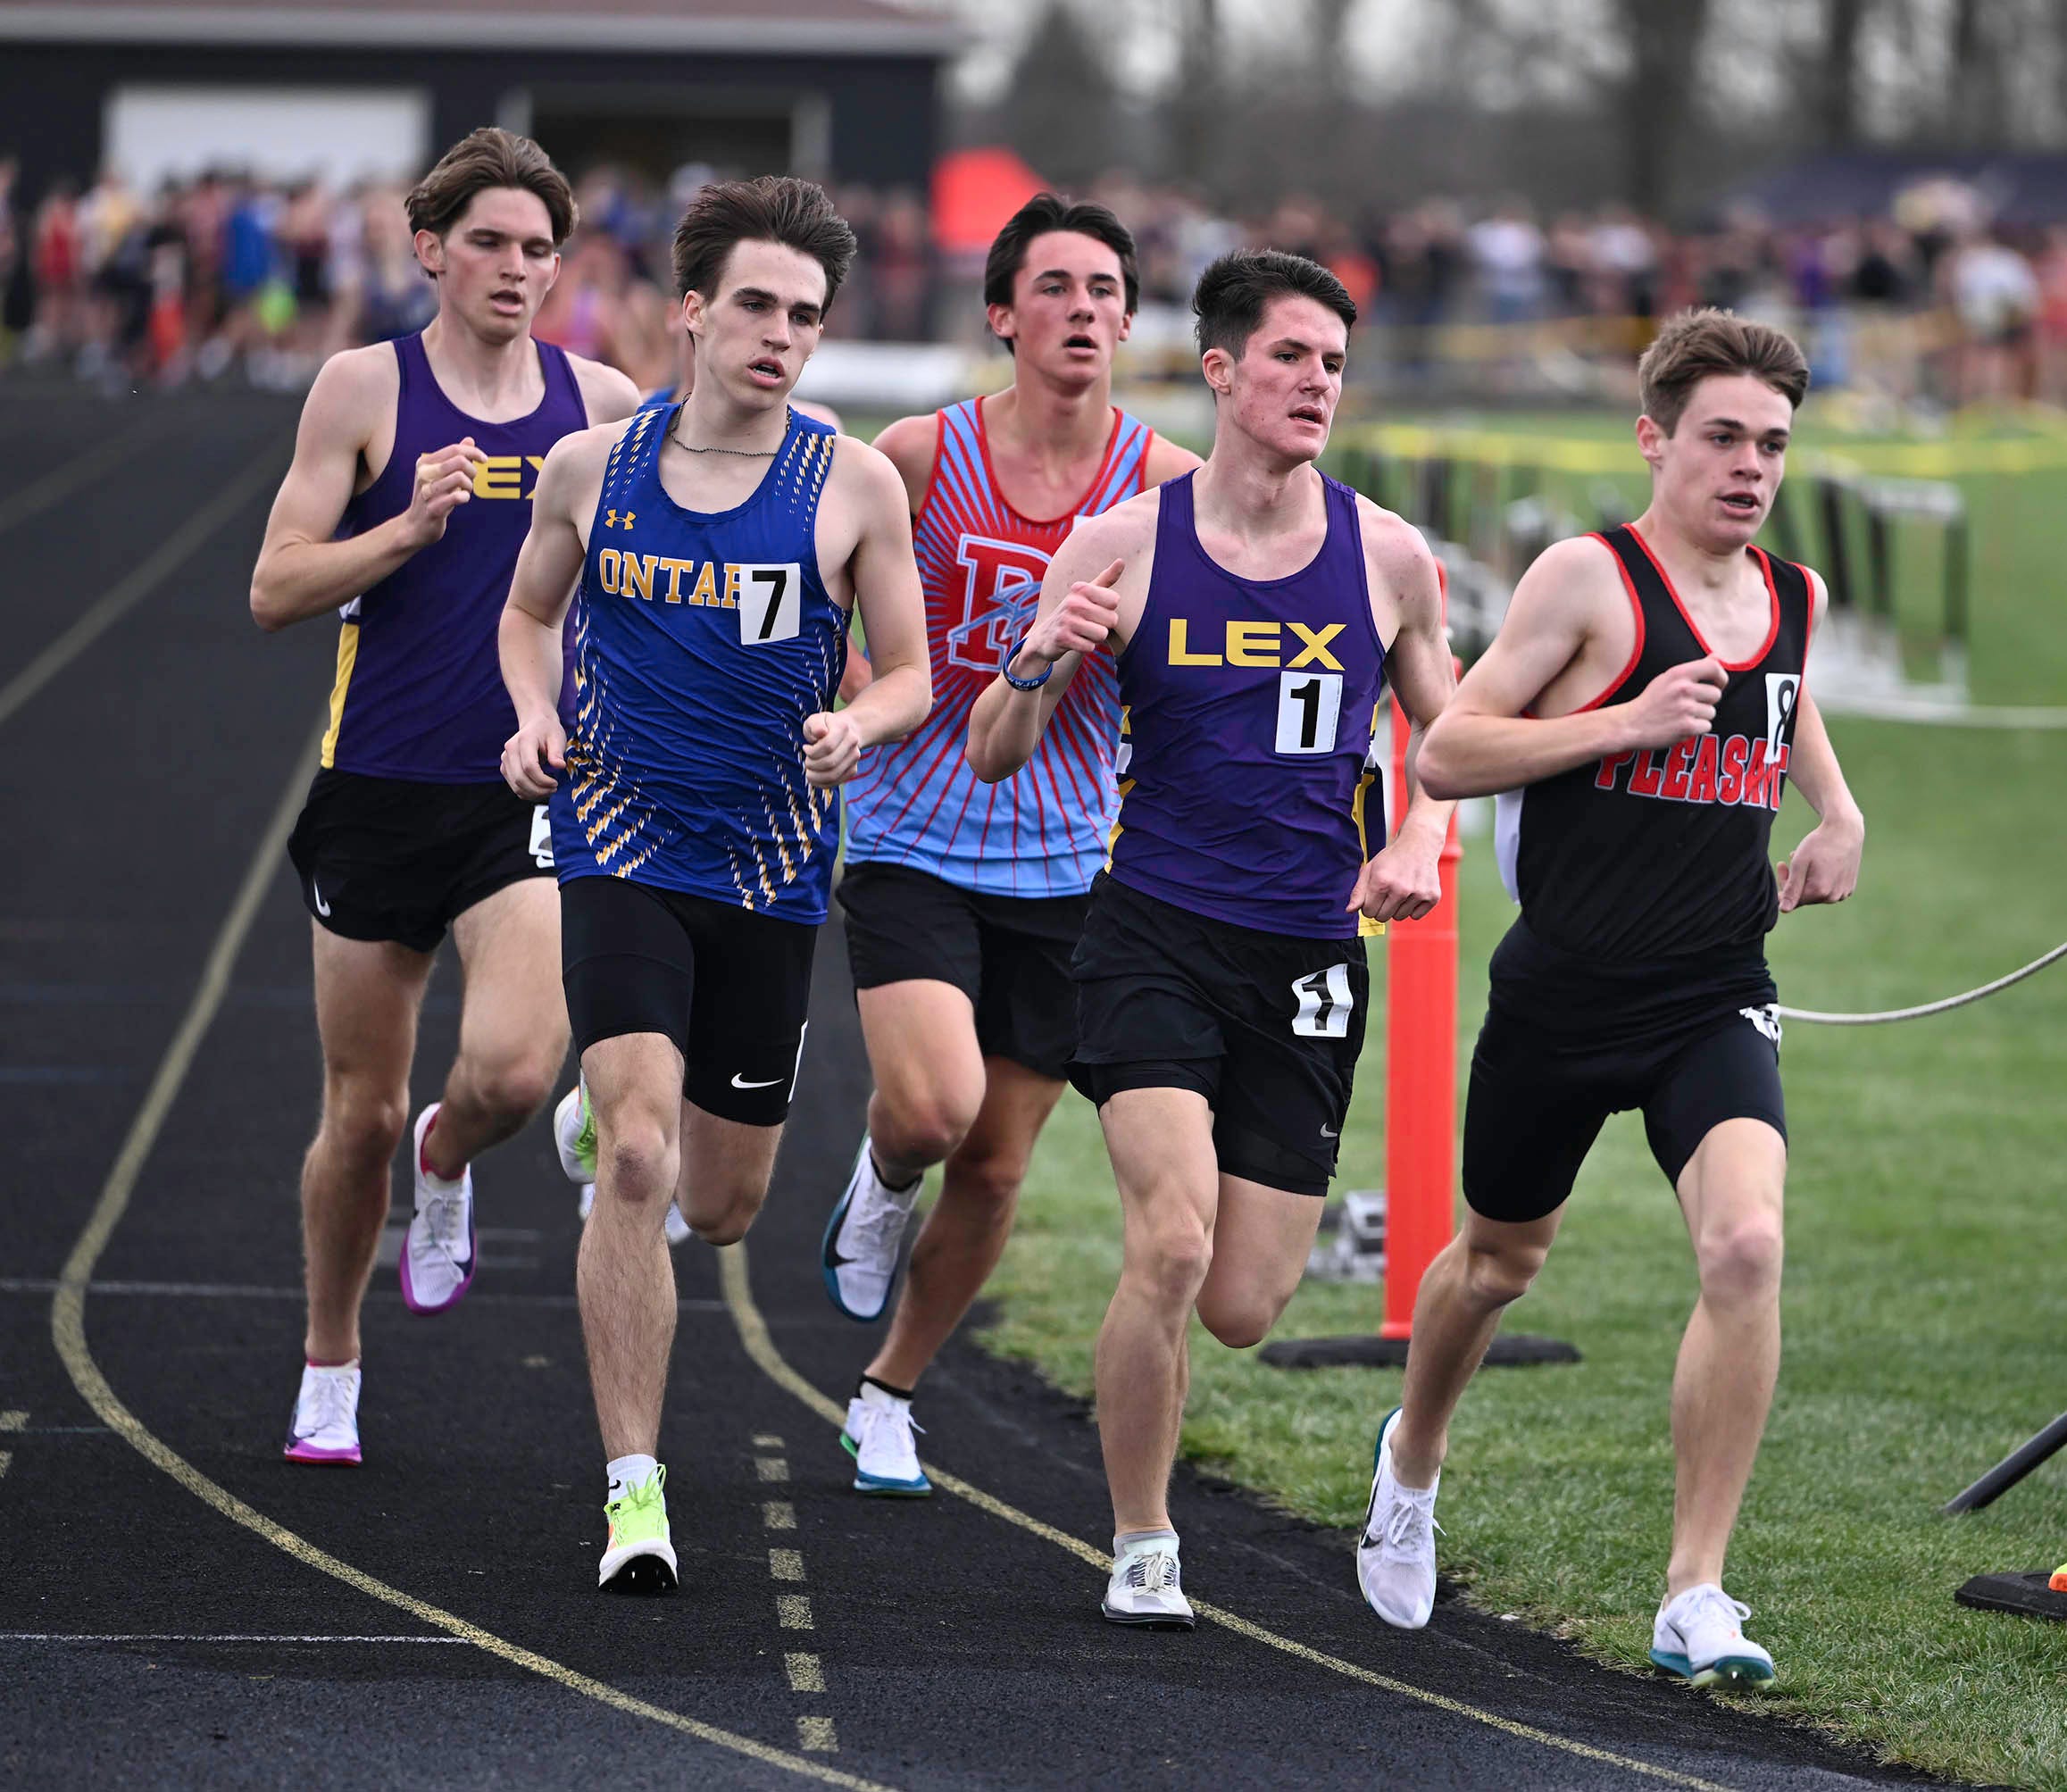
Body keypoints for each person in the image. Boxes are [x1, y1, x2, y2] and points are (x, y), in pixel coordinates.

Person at [1363, 308, 1864, 1688]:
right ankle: (1413, 1457)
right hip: (1565, 994)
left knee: (1746, 1247)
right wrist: (1626, 723)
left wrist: (1838, 811)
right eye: (1723, 438)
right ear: (1654, 439)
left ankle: (1695, 1590)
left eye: (1772, 443)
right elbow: (1452, 751)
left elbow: (1783, 694)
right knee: (1495, 1264)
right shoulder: (1589, 580)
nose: (1750, 467)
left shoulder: (1797, 593)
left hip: (1715, 990)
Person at [966, 249, 1457, 1627]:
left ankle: (1322, 1449)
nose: (1318, 384)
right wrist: (1041, 655)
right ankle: (1143, 1540)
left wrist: (1416, 838)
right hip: (1153, 936)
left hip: (1305, 955)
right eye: (1291, 356)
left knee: (1242, 1305)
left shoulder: (1385, 555)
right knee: (1171, 1247)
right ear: (1223, 370)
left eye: (1335, 364)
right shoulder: (1122, 545)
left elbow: (1454, 735)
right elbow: (997, 749)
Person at [499, 175, 929, 1594]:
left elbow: (914, 673)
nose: (780, 335)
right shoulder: (592, 469)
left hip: (770, 873)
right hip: (619, 844)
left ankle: (606, 1114)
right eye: (755, 305)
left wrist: (858, 723)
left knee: (726, 1202)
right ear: (691, 311)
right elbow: (526, 613)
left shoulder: (850, 484)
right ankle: (635, 1488)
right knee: (640, 1161)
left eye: (805, 315)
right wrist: (534, 714)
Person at [249, 128, 637, 1467]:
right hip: (375, 788)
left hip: (522, 783)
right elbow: (274, 588)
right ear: (430, 249)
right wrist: (406, 529)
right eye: (489, 242)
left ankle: (453, 1155)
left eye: (540, 249)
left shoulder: (600, 404)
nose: (518, 268)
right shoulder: (363, 388)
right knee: (356, 1114)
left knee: (517, 1070)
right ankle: (331, 1359)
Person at [817, 193, 1200, 1497]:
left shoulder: (1167, 488)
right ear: (1002, 314)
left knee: (994, 1167)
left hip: (1068, 861)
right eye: (1055, 287)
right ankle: (882, 1173)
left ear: (1130, 323)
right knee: (935, 1110)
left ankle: (888, 1391)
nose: (1082, 310)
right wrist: (866, 698)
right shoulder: (922, 456)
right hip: (912, 831)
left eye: (1105, 291)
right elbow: (826, 605)